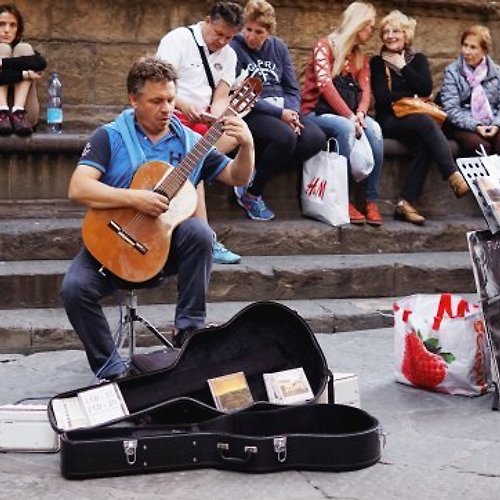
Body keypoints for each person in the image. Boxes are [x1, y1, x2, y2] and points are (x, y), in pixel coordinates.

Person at [60, 58, 254, 380]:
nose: (166, 108)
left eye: (171, 100)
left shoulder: (192, 143)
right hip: (112, 241)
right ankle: (112, 370)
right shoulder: (109, 137)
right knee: (74, 288)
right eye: (156, 101)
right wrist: (135, 197)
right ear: (133, 100)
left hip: (162, 251)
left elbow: (237, 175)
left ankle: (188, 333)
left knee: (200, 233)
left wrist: (246, 145)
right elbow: (78, 188)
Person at [157, 1, 244, 263]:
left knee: (238, 134)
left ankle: (203, 233)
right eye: (219, 34)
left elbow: (221, 96)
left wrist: (216, 116)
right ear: (207, 21)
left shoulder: (229, 54)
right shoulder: (178, 40)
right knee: (196, 154)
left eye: (229, 37)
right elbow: (161, 84)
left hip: (203, 120)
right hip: (172, 114)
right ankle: (207, 238)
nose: (222, 41)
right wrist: (184, 105)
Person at [370, 10, 469, 225]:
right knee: (425, 123)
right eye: (386, 31)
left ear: (406, 34)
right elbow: (382, 98)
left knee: (425, 142)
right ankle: (452, 174)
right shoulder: (377, 62)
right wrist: (412, 94)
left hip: (414, 122)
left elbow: (425, 88)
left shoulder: (418, 60)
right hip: (389, 120)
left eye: (395, 30)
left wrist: (403, 67)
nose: (390, 35)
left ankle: (405, 203)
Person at [229, 0, 326, 221]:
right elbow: (238, 92)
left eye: (259, 32)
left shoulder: (278, 48)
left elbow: (292, 88)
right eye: (248, 29)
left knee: (315, 138)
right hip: (251, 110)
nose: (251, 36)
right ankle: (252, 195)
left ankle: (257, 171)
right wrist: (279, 115)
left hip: (282, 109)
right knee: (286, 138)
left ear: (269, 33)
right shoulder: (234, 46)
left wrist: (291, 113)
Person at [301, 1, 384, 226]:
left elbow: (366, 90)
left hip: (348, 114)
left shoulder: (360, 56)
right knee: (345, 128)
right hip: (314, 113)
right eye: (370, 27)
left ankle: (370, 200)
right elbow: (325, 86)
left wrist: (361, 114)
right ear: (359, 25)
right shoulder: (324, 46)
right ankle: (342, 198)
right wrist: (350, 117)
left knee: (374, 130)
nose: (372, 32)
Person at [441, 25, 500, 156]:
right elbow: (451, 109)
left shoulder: (497, 73)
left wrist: (496, 125)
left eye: (473, 47)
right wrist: (476, 126)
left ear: (484, 50)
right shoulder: (452, 72)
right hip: (462, 125)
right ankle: (479, 177)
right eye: (465, 45)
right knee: (480, 147)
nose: (466, 51)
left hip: (492, 122)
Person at [0, 3, 46, 136]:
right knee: (2, 48)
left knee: (24, 48)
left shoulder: (24, 51)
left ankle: (18, 112)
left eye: (12, 25)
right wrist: (25, 74)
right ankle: (1, 111)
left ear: (18, 30)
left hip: (26, 117)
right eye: (1, 24)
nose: (7, 30)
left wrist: (2, 63)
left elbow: (40, 63)